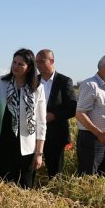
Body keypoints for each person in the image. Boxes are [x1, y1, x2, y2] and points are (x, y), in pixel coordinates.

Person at [0, 49, 47, 188]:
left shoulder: (37, 88)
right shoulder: (1, 82)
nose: (15, 66)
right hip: (4, 142)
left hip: (26, 146)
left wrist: (39, 153)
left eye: (20, 64)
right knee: (5, 183)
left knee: (25, 184)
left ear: (29, 68)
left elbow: (41, 123)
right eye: (14, 62)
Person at [75, 53, 105, 176]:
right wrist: (99, 133)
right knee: (88, 177)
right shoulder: (91, 85)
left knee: (104, 177)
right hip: (92, 140)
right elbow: (80, 113)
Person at [35, 49, 77, 178]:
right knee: (32, 168)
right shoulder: (32, 81)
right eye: (36, 62)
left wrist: (53, 116)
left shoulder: (64, 81)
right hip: (34, 133)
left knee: (55, 173)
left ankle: (54, 194)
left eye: (41, 61)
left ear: (51, 61)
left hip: (56, 135)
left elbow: (72, 108)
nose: (38, 65)